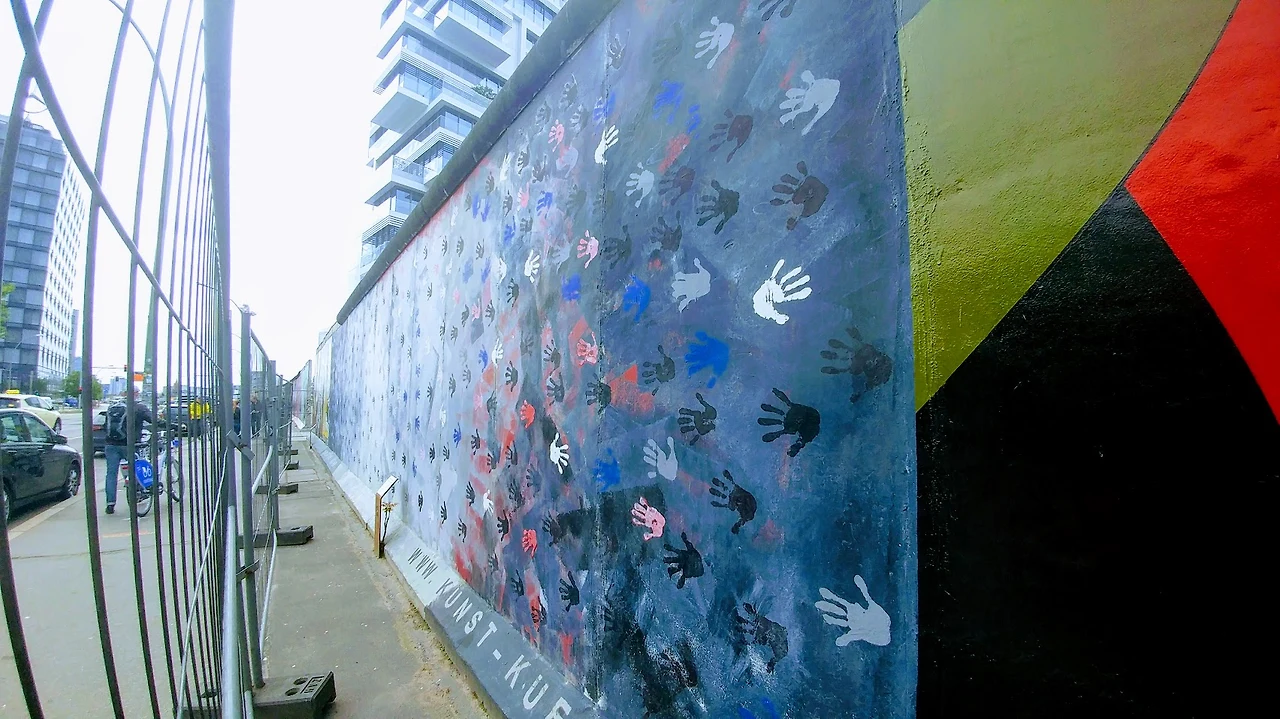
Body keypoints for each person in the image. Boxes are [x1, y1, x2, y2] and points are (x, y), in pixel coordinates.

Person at [102, 399, 159, 514]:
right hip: (130, 444)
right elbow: (154, 420)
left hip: (111, 444)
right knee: (138, 468)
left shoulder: (113, 408)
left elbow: (105, 426)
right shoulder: (139, 407)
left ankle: (110, 504)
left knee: (111, 474)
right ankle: (141, 491)